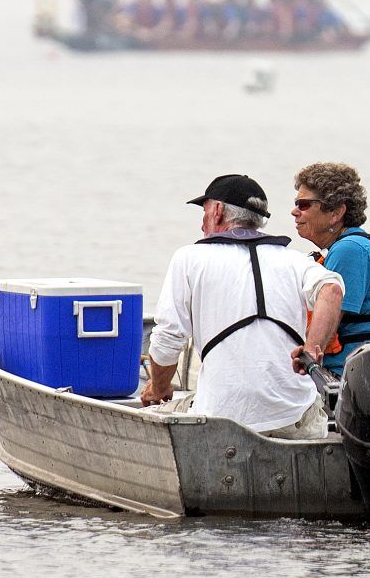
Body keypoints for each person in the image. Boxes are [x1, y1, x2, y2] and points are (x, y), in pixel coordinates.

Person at [138, 173, 342, 437]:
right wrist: (313, 350)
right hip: (294, 418)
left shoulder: (189, 258)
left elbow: (168, 338)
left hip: (222, 419)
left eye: (205, 210)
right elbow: (332, 290)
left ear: (219, 211)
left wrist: (158, 386)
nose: (202, 224)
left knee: (150, 416)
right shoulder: (295, 260)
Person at [289, 162, 370, 377]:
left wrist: (307, 354)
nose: (294, 212)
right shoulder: (352, 247)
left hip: (352, 377)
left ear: (336, 212)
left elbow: (329, 318)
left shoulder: (349, 250)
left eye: (303, 204)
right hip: (363, 372)